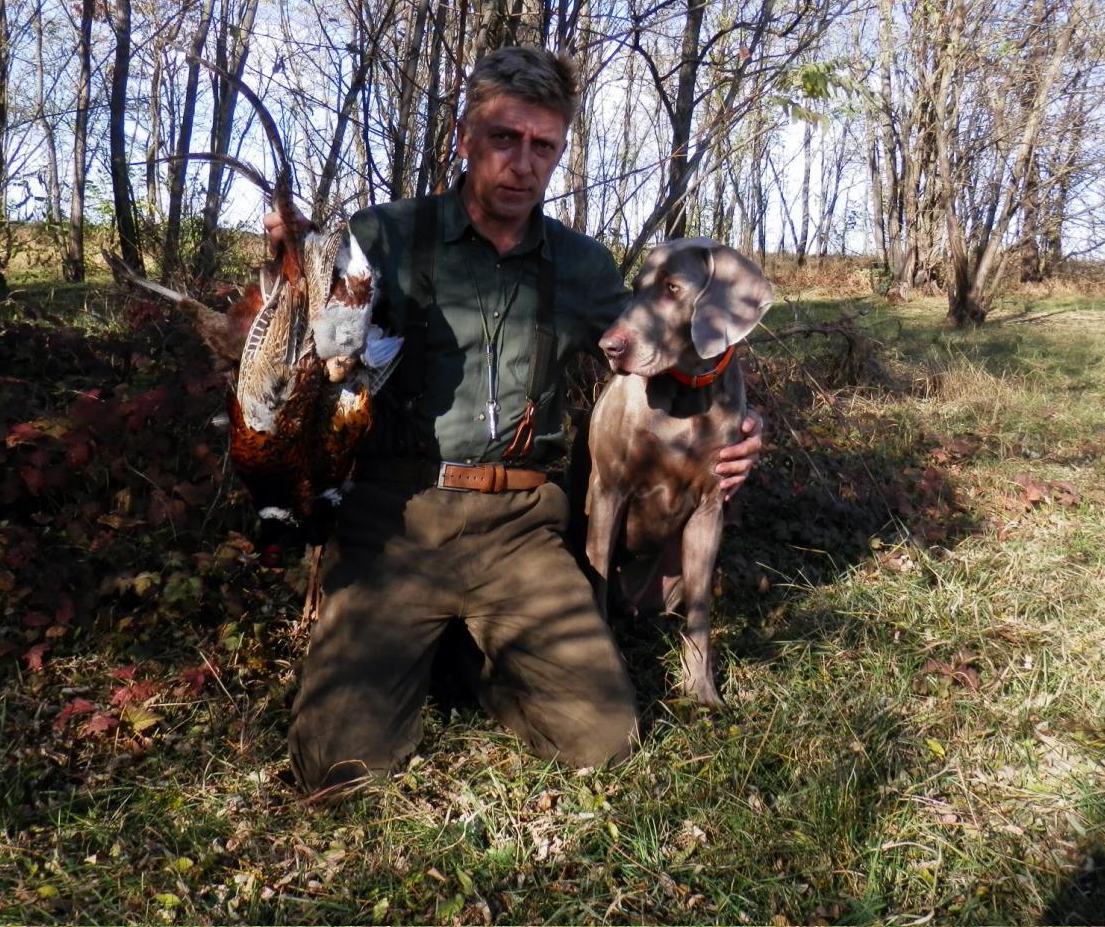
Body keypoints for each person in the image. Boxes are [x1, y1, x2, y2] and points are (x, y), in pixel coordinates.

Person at [266, 46, 761, 797]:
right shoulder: (388, 237)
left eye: (543, 146)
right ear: (464, 136)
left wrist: (742, 430)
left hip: (519, 524)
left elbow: (677, 353)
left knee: (605, 739)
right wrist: (289, 265)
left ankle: (475, 656)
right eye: (504, 138)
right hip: (394, 520)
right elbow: (307, 356)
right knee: (338, 771)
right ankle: (429, 648)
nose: (523, 164)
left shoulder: (582, 266)